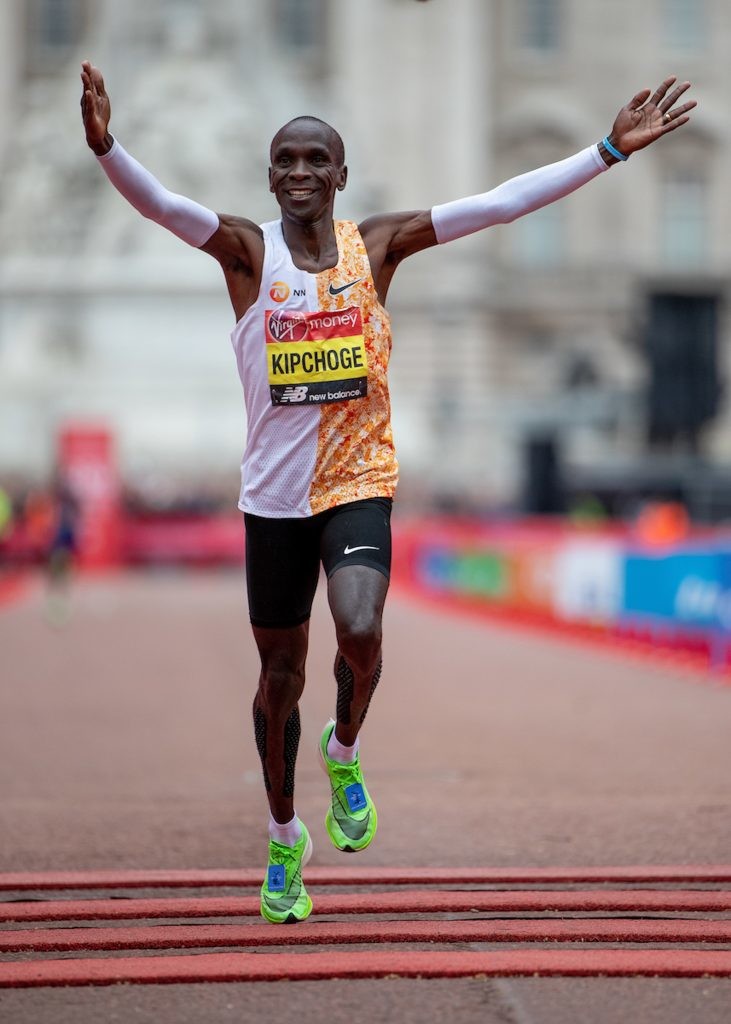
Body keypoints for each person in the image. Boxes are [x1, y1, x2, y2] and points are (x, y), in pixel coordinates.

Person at [80, 60, 695, 923]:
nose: (299, 172)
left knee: (362, 631)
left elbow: (497, 203)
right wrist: (107, 147)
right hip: (273, 500)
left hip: (358, 480)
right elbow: (162, 207)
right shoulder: (247, 253)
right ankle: (284, 836)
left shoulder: (376, 247)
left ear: (341, 175)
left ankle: (345, 749)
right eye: (285, 161)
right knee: (279, 678)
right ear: (269, 177)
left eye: (315, 160)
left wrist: (605, 151)